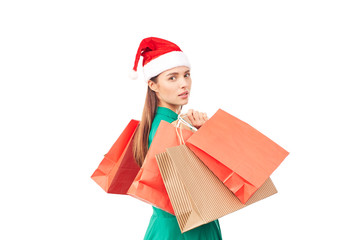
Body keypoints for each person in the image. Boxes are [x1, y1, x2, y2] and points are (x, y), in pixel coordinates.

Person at [131, 37, 222, 239]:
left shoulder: (166, 124)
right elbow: (204, 187)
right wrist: (209, 135)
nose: (184, 84)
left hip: (174, 227)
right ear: (153, 85)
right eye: (172, 78)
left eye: (186, 75)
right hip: (185, 231)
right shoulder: (169, 129)